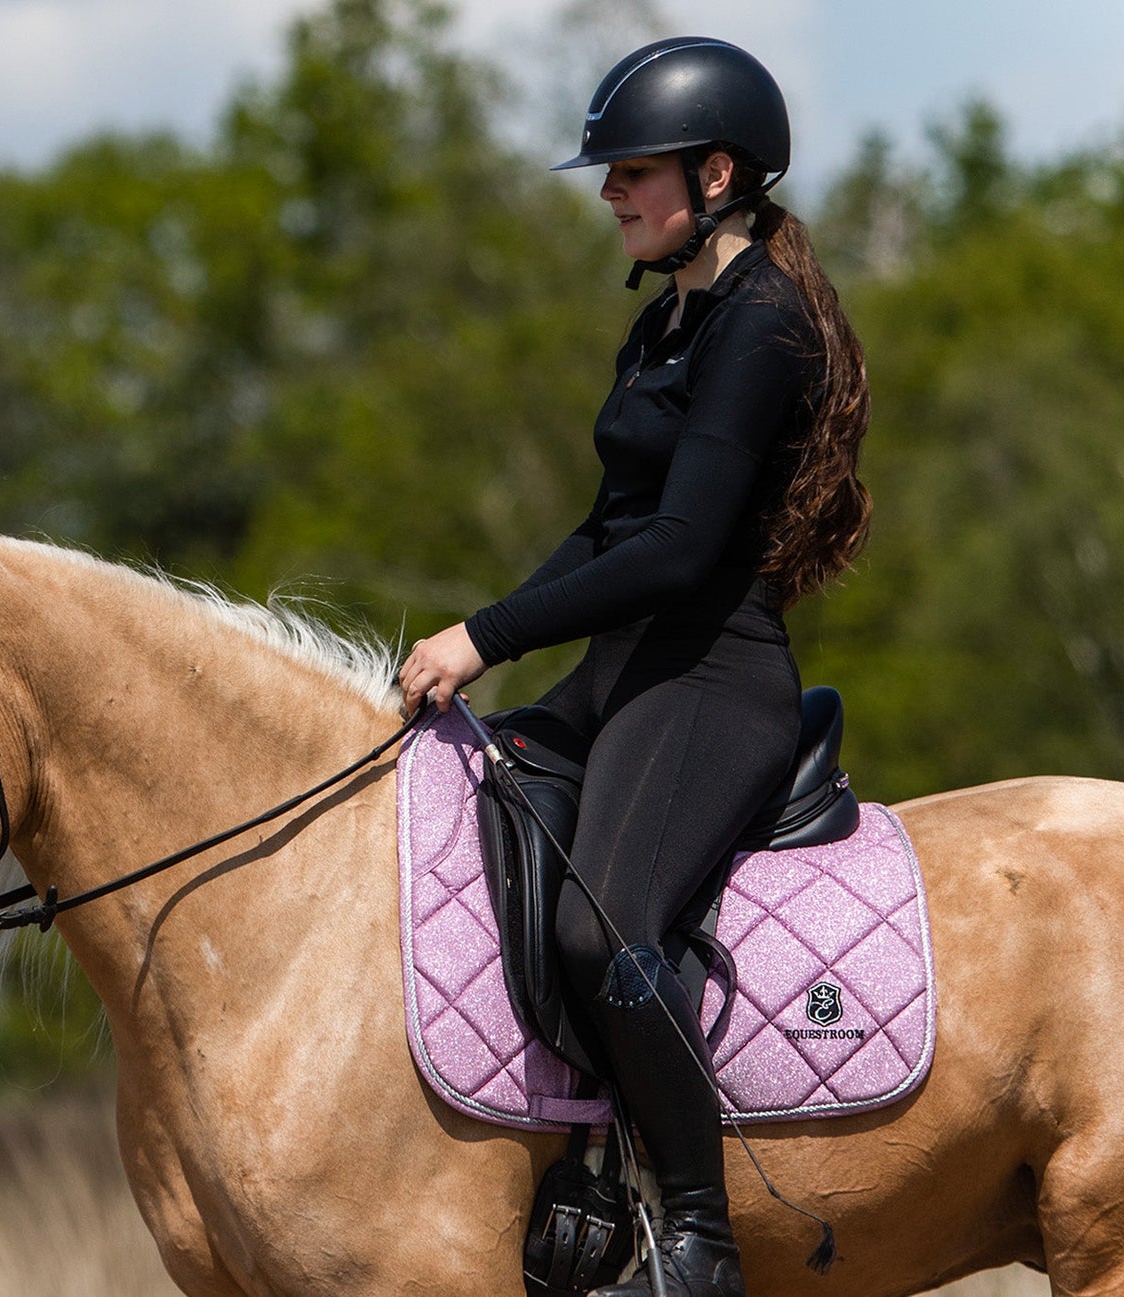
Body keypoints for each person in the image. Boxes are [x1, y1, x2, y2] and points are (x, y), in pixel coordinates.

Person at [397, 37, 871, 1297]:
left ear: (714, 176)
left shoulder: (761, 329)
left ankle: (703, 1236)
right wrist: (476, 638)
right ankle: (569, 1171)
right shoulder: (666, 316)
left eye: (629, 171)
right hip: (620, 671)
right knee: (457, 816)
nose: (607, 191)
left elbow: (673, 554)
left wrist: (486, 635)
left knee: (597, 925)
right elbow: (605, 534)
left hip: (712, 677)